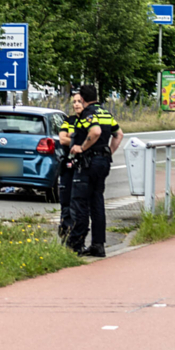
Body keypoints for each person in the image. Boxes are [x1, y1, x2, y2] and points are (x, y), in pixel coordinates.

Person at [66, 84, 124, 258]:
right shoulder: (106, 113)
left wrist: (82, 148)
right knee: (97, 202)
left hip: (88, 163)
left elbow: (95, 131)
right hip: (102, 162)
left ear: (83, 99)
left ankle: (76, 245)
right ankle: (98, 245)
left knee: (80, 202)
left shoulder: (87, 114)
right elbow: (119, 134)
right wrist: (107, 153)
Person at [56, 93, 82, 241]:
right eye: (74, 102)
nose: (76, 104)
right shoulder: (69, 120)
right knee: (65, 198)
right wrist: (76, 139)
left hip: (82, 164)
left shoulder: (88, 120)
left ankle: (76, 234)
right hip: (67, 164)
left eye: (79, 101)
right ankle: (65, 228)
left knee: (79, 200)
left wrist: (71, 138)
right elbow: (62, 139)